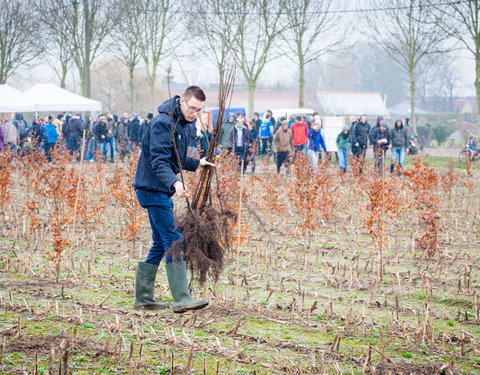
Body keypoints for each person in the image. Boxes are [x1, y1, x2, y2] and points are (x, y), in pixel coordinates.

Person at [132, 85, 214, 313]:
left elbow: (175, 157)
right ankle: (181, 298)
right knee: (173, 239)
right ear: (182, 101)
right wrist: (176, 183)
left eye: (200, 110)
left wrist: (198, 163)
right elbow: (159, 161)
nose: (195, 113)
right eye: (193, 108)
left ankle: (144, 298)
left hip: (160, 189)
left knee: (160, 243)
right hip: (151, 189)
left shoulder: (185, 125)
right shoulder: (161, 123)